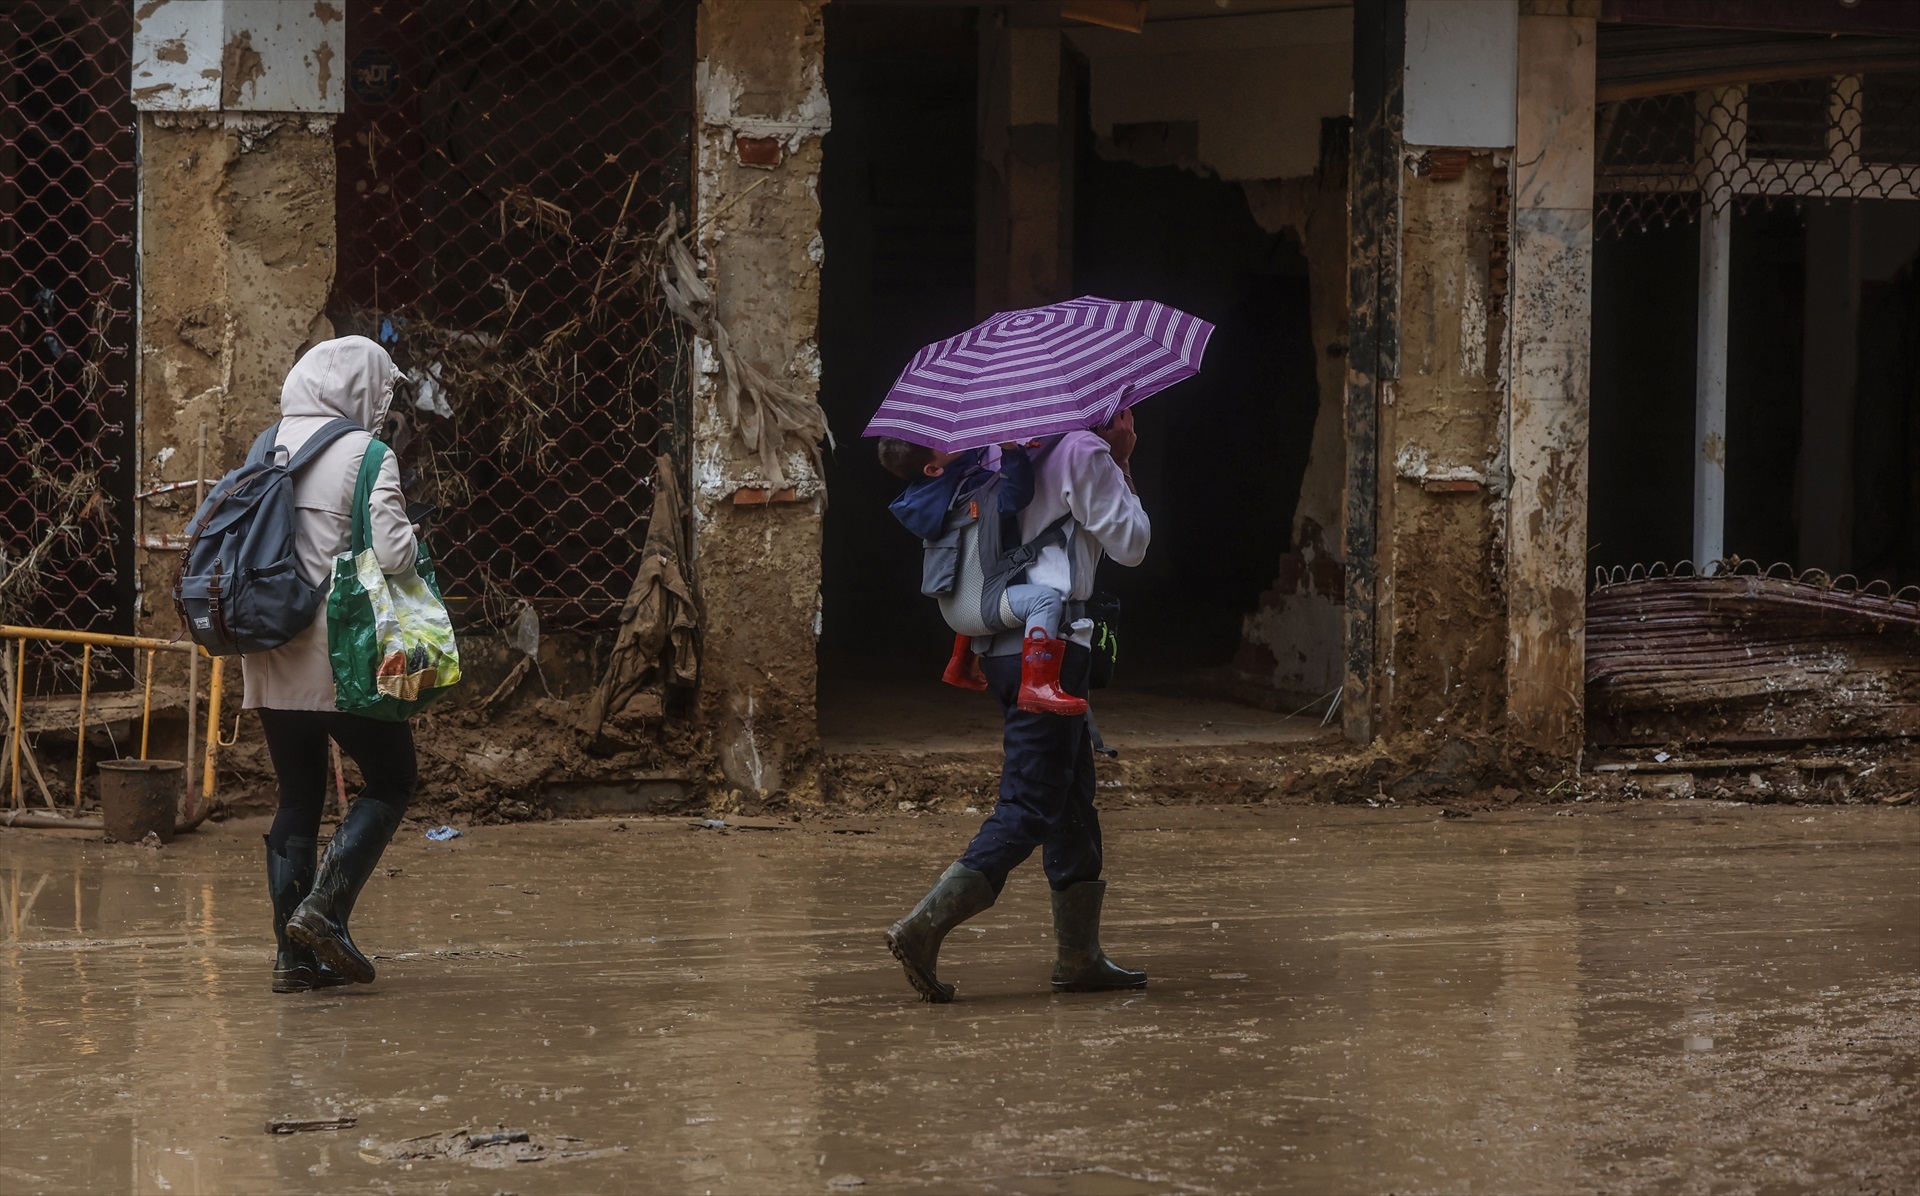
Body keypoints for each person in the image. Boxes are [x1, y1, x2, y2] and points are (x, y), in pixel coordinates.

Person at [884, 408, 1149, 1002]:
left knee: (1073, 798)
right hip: (1050, 648)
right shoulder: (1082, 452)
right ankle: (923, 927)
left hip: (1006, 648)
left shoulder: (993, 458)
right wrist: (1124, 460)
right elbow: (1132, 546)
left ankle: (1079, 956)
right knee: (1030, 802)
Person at [245, 335, 421, 993]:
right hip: (337, 653)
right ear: (360, 389)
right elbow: (396, 556)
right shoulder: (369, 455)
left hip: (266, 647)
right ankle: (326, 910)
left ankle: (293, 960)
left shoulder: (266, 446)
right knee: (394, 775)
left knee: (297, 794)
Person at [878, 437, 1084, 715]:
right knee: (1045, 601)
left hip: (954, 609)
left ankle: (961, 664)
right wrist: (1012, 451)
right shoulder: (974, 491)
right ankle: (1038, 686)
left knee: (974, 576)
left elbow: (960, 460)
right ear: (933, 468)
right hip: (977, 611)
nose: (947, 438)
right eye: (939, 441)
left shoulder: (932, 493)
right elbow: (1016, 495)